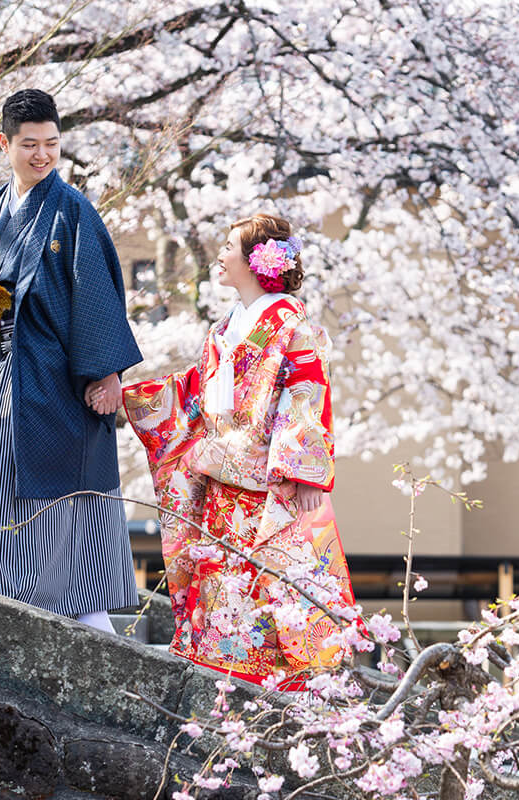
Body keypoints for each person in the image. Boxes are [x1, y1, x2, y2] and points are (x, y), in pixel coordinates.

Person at [0, 89, 143, 634]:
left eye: (51, 144)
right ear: (5, 144)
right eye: (29, 145)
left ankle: (88, 623)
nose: (42, 155)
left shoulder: (73, 213)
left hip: (56, 386)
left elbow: (96, 295)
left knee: (57, 496)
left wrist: (108, 372)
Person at [123, 213, 356, 685]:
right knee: (218, 580)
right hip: (217, 484)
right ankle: (216, 684)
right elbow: (196, 391)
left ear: (255, 260)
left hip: (268, 486)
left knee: (270, 589)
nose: (221, 254)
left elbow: (308, 392)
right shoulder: (224, 327)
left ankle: (271, 693)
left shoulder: (291, 324)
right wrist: (133, 399)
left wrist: (303, 472)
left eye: (230, 246)